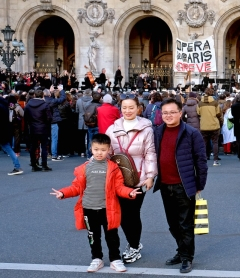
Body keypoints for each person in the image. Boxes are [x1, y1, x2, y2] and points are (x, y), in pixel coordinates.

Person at [50, 133, 140, 273]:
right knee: (93, 236)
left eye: (103, 150)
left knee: (112, 236)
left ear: (109, 150)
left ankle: (115, 259)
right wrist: (63, 193)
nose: (99, 153)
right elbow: (76, 187)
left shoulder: (113, 168)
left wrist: (129, 193)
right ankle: (96, 258)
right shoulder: (84, 168)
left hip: (108, 209)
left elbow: (118, 187)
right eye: (96, 149)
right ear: (91, 148)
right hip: (88, 208)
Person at [153, 98, 208, 274]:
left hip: (184, 185)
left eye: (172, 112)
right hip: (164, 184)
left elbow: (201, 160)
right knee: (172, 223)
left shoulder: (191, 133)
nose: (168, 115)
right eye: (165, 112)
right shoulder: (158, 132)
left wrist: (200, 183)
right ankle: (181, 250)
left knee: (185, 224)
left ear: (180, 113)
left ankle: (186, 257)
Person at [105, 93, 157, 264]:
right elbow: (105, 153)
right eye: (124, 107)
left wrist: (150, 176)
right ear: (120, 108)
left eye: (131, 107)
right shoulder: (112, 129)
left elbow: (150, 153)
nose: (128, 111)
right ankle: (134, 243)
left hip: (139, 179)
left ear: (138, 109)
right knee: (121, 214)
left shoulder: (147, 129)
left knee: (132, 214)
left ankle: (134, 246)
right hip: (117, 180)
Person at [24, 89, 52, 171]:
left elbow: (26, 117)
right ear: (42, 96)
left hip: (33, 127)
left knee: (33, 146)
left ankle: (33, 164)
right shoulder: (45, 105)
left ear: (34, 95)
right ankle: (44, 164)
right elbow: (49, 117)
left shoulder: (28, 105)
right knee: (44, 146)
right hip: (43, 127)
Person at [197, 87, 223, 166]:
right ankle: (215, 160)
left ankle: (204, 159)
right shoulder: (215, 103)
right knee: (215, 142)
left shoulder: (200, 103)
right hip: (214, 125)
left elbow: (198, 113)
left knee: (204, 143)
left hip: (204, 125)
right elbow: (218, 113)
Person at [0, 96, 23, 175]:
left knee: (8, 147)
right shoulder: (5, 105)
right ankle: (17, 166)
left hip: (2, 130)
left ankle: (17, 166)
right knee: (8, 147)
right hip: (5, 130)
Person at [45, 87, 66, 161]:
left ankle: (44, 154)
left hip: (44, 122)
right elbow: (62, 99)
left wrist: (51, 92)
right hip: (53, 121)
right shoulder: (52, 101)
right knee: (54, 138)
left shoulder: (42, 101)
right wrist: (61, 91)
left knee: (44, 139)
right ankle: (54, 155)